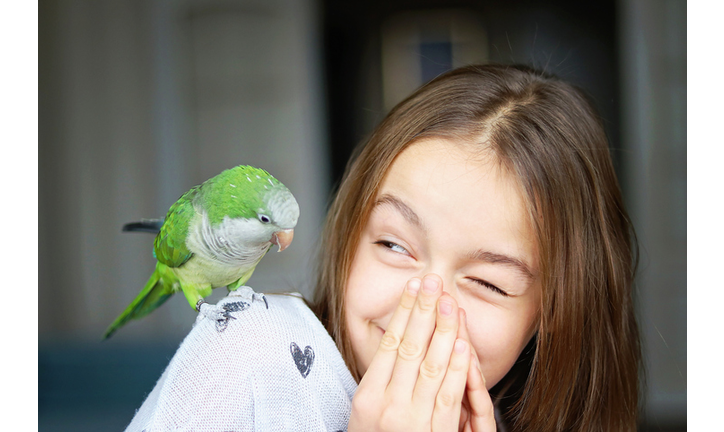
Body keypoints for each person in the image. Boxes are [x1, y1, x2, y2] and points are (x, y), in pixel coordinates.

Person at [126, 64, 641, 432]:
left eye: (487, 282)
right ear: (351, 232)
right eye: (394, 244)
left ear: (554, 306)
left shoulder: (490, 415)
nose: (421, 304)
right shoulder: (247, 351)